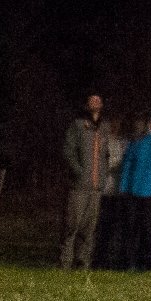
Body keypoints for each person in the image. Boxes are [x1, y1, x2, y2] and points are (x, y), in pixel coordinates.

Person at [59, 93, 111, 270]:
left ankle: (83, 264)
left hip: (96, 187)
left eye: (98, 100)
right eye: (92, 100)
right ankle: (65, 262)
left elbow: (105, 155)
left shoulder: (104, 127)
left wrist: (103, 177)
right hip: (79, 186)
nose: (96, 103)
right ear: (87, 104)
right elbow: (68, 151)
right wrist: (79, 171)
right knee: (72, 225)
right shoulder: (78, 125)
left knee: (89, 229)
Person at [117, 116, 151, 269]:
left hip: (148, 193)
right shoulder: (138, 143)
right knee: (130, 226)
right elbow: (128, 165)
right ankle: (128, 262)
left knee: (148, 228)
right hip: (133, 191)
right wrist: (123, 186)